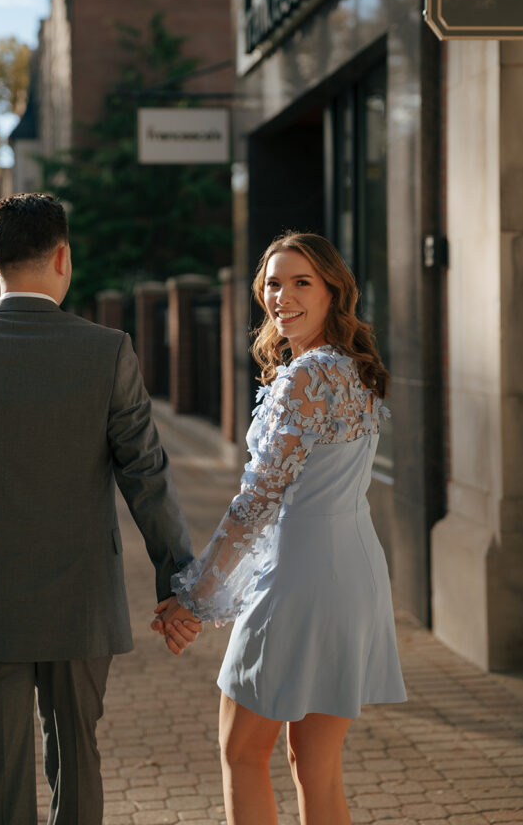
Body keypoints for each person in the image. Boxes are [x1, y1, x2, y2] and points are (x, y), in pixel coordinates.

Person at [0, 192, 201, 825]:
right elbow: (146, 475)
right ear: (62, 256)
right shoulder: (107, 351)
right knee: (78, 767)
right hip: (79, 601)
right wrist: (178, 582)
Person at [153, 232, 407, 825]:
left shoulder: (305, 378)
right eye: (272, 282)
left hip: (302, 577)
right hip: (357, 573)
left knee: (241, 751)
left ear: (332, 291)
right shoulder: (355, 371)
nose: (282, 296)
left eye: (301, 283)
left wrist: (192, 597)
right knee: (314, 766)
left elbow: (257, 504)